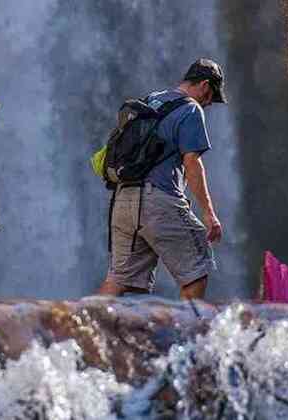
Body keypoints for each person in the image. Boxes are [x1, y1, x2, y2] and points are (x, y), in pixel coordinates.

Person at [97, 58, 227, 300]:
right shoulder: (191, 109)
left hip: (123, 198)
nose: (209, 103)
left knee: (118, 280)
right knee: (197, 269)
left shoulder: (150, 100)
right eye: (211, 97)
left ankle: (80, 321)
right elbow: (192, 162)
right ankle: (188, 326)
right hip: (157, 200)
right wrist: (209, 213)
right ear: (205, 85)